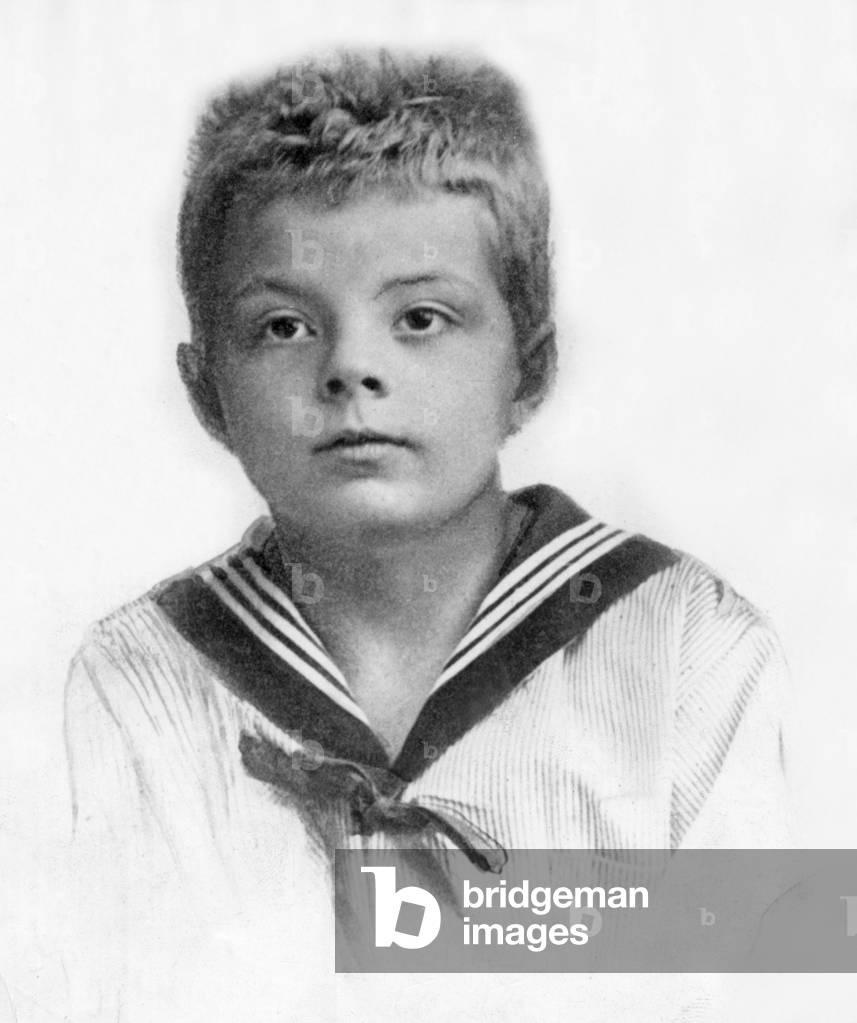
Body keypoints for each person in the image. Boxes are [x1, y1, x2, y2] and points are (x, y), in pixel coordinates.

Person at [62, 49, 791, 1020]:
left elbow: (769, 975)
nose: (350, 369)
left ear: (527, 370)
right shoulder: (142, 675)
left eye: (419, 317)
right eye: (283, 327)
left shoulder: (685, 646)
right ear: (206, 394)